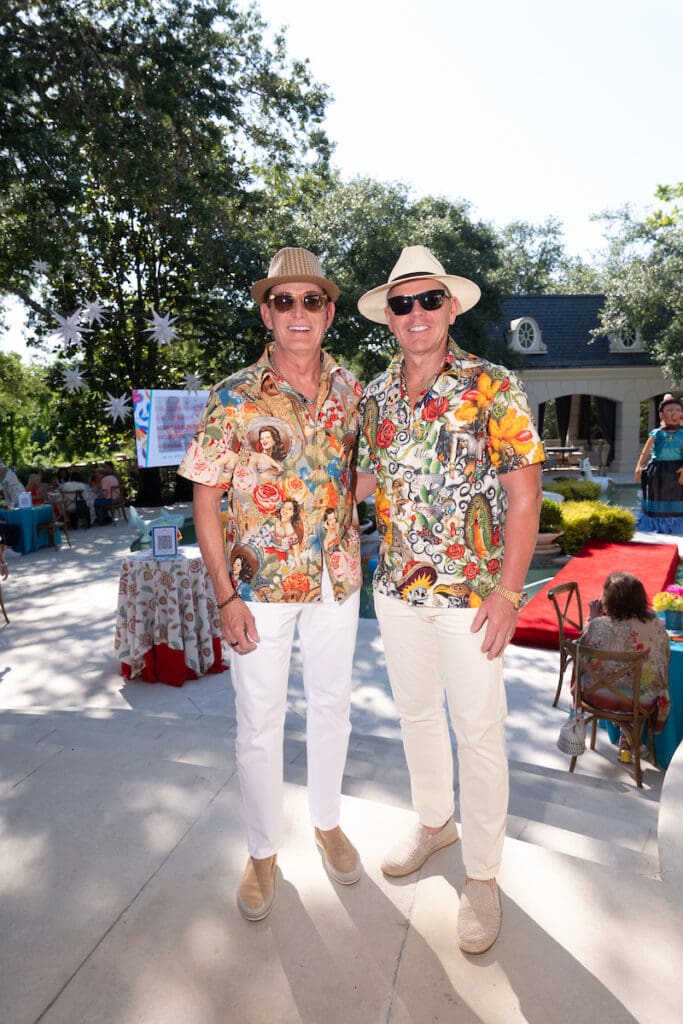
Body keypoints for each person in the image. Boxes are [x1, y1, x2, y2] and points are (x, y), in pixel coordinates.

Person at [355, 245, 545, 955]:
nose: (415, 314)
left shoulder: (492, 385)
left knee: (478, 730)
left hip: (472, 595)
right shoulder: (375, 395)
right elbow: (365, 483)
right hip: (397, 591)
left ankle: (484, 877)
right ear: (388, 317)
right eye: (401, 303)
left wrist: (507, 590)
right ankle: (434, 822)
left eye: (427, 300)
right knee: (413, 715)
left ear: (451, 307)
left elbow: (525, 495)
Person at [179, 247, 364, 922]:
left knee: (332, 708)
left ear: (329, 312)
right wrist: (224, 594)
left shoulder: (351, 390)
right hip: (256, 587)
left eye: (309, 300)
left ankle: (325, 821)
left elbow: (356, 478)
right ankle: (262, 851)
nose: (296, 314)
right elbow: (205, 498)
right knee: (258, 724)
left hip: (335, 581)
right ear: (265, 312)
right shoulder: (232, 395)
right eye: (282, 301)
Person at [582, 572, 670, 762]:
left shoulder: (598, 626)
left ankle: (626, 734)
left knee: (604, 678)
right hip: (643, 698)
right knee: (639, 682)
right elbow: (663, 658)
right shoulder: (654, 622)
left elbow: (581, 653)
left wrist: (592, 619)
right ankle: (629, 734)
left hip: (599, 695)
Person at [635, 394, 683, 534]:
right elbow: (645, 451)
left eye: (678, 410)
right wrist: (639, 465)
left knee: (677, 497)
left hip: (677, 471)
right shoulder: (656, 433)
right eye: (670, 411)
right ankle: (656, 523)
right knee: (657, 496)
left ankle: (677, 525)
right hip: (658, 471)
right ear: (661, 415)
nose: (675, 414)